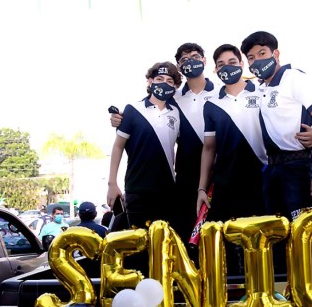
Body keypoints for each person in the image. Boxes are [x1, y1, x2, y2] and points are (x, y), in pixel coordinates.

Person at [111, 43, 220, 253]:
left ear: (204, 61)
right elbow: (147, 117)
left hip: (221, 172)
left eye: (195, 57)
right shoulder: (173, 99)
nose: (191, 62)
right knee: (181, 237)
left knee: (219, 231)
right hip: (184, 180)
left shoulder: (221, 92)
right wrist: (120, 120)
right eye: (184, 60)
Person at [240, 31, 312, 269]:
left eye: (262, 53)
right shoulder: (260, 88)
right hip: (272, 170)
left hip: (298, 168)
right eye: (251, 58)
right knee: (279, 239)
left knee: (305, 236)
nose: (256, 60)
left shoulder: (294, 78)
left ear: (276, 54)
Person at [196, 44, 267, 275]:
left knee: (263, 243)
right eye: (221, 65)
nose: (227, 67)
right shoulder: (211, 105)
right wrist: (201, 189)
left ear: (242, 63)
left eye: (232, 62)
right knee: (230, 244)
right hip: (227, 183)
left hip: (262, 180)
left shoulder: (262, 93)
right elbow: (209, 148)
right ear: (216, 71)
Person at [107, 61, 182, 231]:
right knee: (139, 247)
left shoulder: (177, 113)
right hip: (137, 190)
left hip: (168, 191)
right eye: (159, 78)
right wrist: (112, 183)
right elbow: (118, 147)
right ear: (150, 81)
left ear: (175, 86)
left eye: (169, 81)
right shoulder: (133, 109)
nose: (164, 83)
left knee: (165, 247)